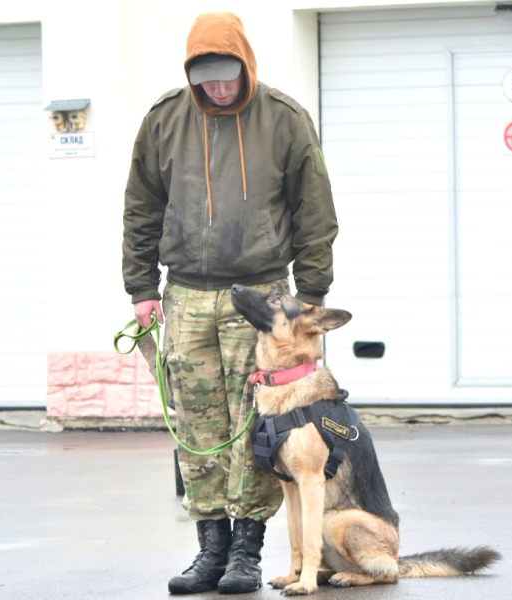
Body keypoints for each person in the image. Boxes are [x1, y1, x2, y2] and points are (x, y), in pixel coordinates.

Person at [122, 11, 338, 595]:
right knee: (197, 427)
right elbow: (141, 208)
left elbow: (315, 213)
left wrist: (311, 298)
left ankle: (248, 549)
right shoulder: (165, 119)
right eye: (206, 78)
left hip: (262, 297)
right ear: (192, 74)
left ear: (246, 66)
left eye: (228, 76)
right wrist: (141, 288)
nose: (218, 88)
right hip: (186, 294)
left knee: (255, 428)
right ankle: (209, 550)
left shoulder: (285, 120)